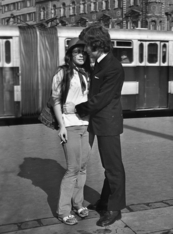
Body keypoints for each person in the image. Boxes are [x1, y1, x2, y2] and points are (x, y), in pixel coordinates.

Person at [65, 23, 126, 227]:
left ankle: (115, 209)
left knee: (113, 167)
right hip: (97, 120)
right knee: (106, 166)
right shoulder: (98, 63)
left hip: (108, 122)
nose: (83, 49)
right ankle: (105, 201)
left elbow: (101, 99)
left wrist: (77, 108)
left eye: (86, 45)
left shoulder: (113, 67)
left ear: (96, 45)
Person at [51, 38, 91, 225]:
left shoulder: (87, 73)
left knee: (82, 167)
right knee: (72, 169)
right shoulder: (62, 73)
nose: (81, 54)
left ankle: (78, 203)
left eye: (84, 51)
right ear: (70, 54)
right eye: (77, 52)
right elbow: (56, 101)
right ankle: (63, 211)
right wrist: (61, 126)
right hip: (70, 126)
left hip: (86, 125)